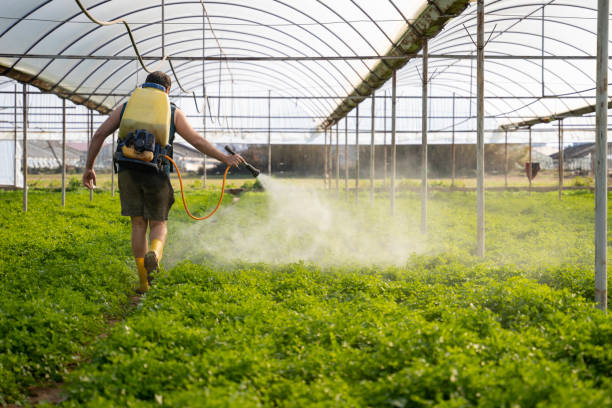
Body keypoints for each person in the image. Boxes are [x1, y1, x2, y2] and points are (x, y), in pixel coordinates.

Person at [82, 71, 244, 293]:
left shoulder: (127, 106)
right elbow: (196, 140)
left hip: (127, 170)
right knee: (158, 224)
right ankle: (155, 254)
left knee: (138, 224)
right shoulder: (173, 111)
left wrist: (89, 167)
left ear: (145, 85)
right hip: (156, 170)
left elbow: (99, 134)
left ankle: (142, 283)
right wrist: (224, 158)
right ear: (167, 90)